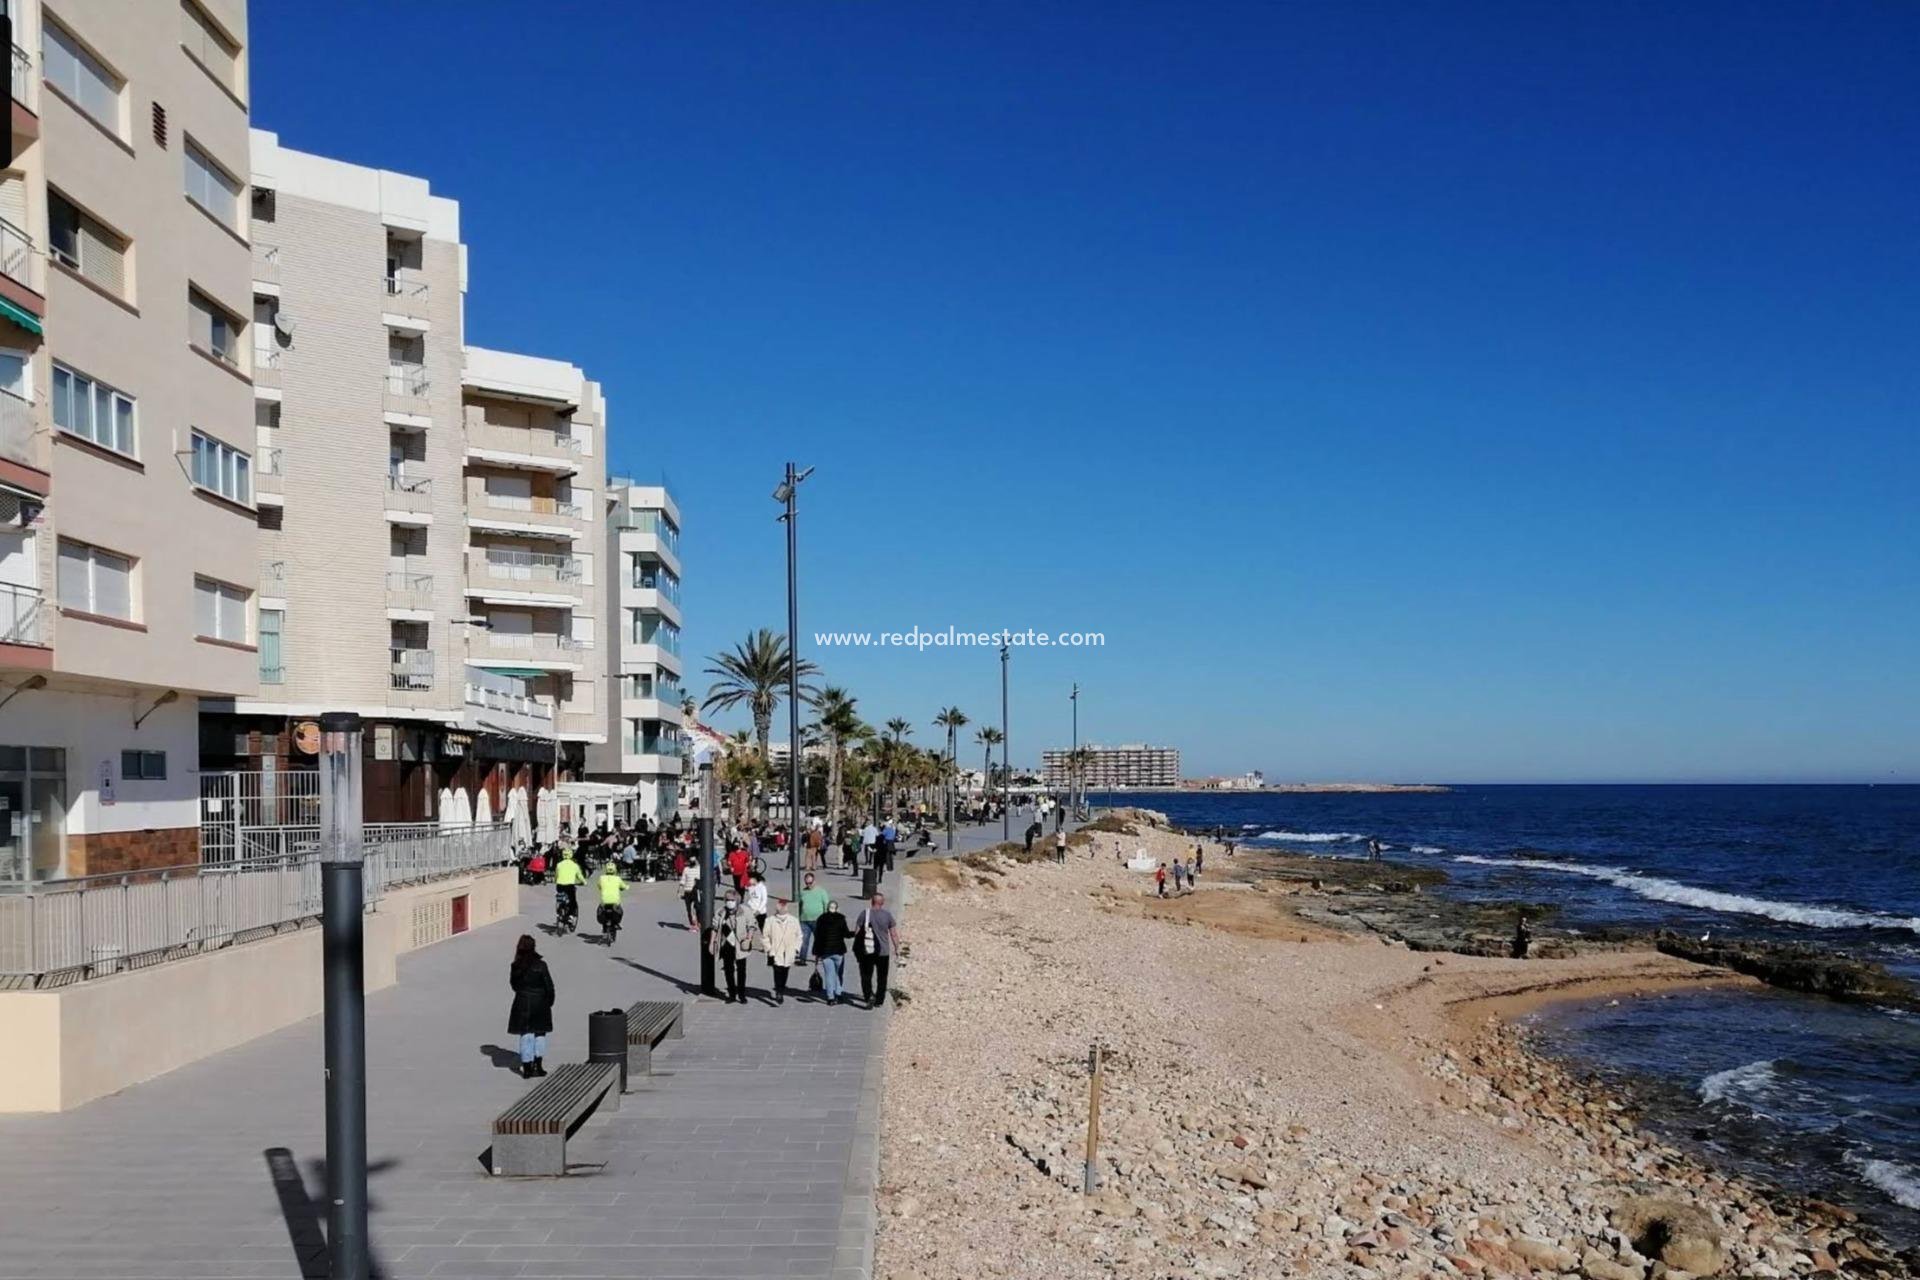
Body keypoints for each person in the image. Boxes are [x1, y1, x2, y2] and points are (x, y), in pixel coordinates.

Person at [507, 935, 555, 1079]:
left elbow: (514, 985)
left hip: (522, 1002)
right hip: (540, 1003)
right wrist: (549, 1001)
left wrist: (523, 993)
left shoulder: (516, 965)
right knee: (540, 1034)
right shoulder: (541, 965)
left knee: (526, 1035)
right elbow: (549, 986)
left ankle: (527, 1068)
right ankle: (538, 1066)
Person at [851, 892, 900, 1009]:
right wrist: (896, 948)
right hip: (883, 951)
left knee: (866, 975)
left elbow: (857, 932)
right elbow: (893, 934)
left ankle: (869, 996)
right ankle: (879, 999)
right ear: (882, 903)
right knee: (882, 977)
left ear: (871, 901)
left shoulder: (864, 914)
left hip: (867, 950)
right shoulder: (887, 915)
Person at [712, 890, 757, 1003]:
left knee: (741, 970)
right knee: (728, 969)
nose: (729, 902)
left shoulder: (744, 911)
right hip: (726, 944)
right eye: (727, 900)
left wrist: (749, 939)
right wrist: (712, 943)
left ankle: (741, 994)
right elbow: (715, 928)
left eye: (732, 900)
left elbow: (752, 925)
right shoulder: (721, 912)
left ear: (737, 900)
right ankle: (732, 994)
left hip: (740, 944)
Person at [811, 898, 851, 1004]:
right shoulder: (841, 919)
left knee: (829, 974)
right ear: (837, 908)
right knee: (839, 974)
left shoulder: (821, 919)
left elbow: (817, 937)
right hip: (838, 951)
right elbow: (846, 934)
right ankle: (838, 993)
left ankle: (830, 997)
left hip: (825, 951)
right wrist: (856, 933)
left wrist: (816, 952)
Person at [763, 898, 802, 1004]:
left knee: (785, 971)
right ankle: (778, 992)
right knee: (777, 971)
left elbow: (799, 936)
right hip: (776, 950)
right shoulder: (770, 920)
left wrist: (796, 949)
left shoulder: (793, 920)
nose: (782, 908)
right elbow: (765, 936)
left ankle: (782, 988)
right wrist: (769, 949)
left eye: (784, 906)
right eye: (781, 906)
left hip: (789, 950)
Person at [797, 872, 829, 963]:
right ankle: (802, 959)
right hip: (805, 920)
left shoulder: (821, 892)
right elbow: (800, 905)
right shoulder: (803, 892)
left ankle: (819, 957)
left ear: (814, 881)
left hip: (818, 920)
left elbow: (826, 905)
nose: (809, 885)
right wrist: (799, 917)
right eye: (807, 883)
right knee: (804, 940)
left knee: (819, 940)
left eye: (810, 883)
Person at [552, 847, 586, 924]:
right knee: (572, 901)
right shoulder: (574, 865)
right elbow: (579, 876)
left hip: (560, 885)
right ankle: (570, 916)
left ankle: (559, 912)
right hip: (570, 885)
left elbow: (556, 875)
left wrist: (555, 881)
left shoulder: (559, 864)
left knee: (560, 897)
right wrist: (584, 882)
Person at [595, 861, 628, 936]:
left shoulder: (601, 878)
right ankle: (616, 923)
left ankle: (604, 926)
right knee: (620, 911)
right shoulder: (618, 878)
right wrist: (626, 887)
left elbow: (599, 886)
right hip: (615, 902)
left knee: (601, 911)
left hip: (604, 901)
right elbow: (623, 887)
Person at [679, 859, 701, 929]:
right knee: (689, 909)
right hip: (687, 891)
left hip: (695, 891)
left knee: (697, 907)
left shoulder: (699, 868)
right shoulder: (686, 869)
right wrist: (679, 891)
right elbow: (683, 879)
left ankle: (698, 922)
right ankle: (693, 925)